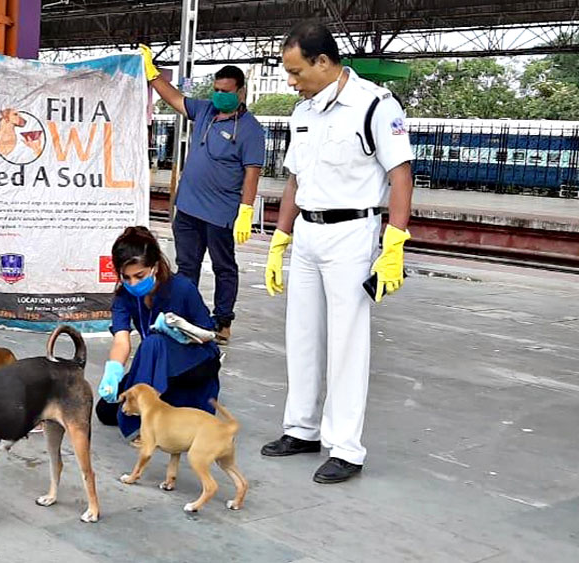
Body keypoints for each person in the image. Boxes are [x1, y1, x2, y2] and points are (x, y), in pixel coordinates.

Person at [260, 21, 414, 484]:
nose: (291, 80)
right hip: (307, 232)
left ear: (323, 62)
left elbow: (401, 175)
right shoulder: (304, 111)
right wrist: (279, 239)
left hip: (352, 234)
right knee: (302, 334)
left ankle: (346, 447)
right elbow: (294, 179)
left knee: (347, 342)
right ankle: (302, 429)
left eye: (295, 70)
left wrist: (395, 243)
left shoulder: (375, 105)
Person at [140, 46, 266, 345]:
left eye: (225, 90)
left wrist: (246, 210)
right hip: (187, 209)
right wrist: (152, 73)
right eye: (216, 88)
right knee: (186, 267)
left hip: (221, 213)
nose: (219, 95)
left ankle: (223, 321)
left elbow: (252, 172)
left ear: (241, 92)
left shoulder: (251, 130)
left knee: (224, 268)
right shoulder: (205, 111)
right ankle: (185, 318)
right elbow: (173, 98)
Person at [95, 226, 222, 440]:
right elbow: (121, 341)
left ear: (154, 267)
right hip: (156, 366)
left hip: (194, 364)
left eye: (139, 275)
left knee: (154, 342)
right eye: (126, 277)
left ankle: (144, 428)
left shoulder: (182, 288)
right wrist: (113, 371)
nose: (133, 283)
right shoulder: (124, 297)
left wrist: (181, 332)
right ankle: (159, 407)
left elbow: (208, 335)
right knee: (106, 411)